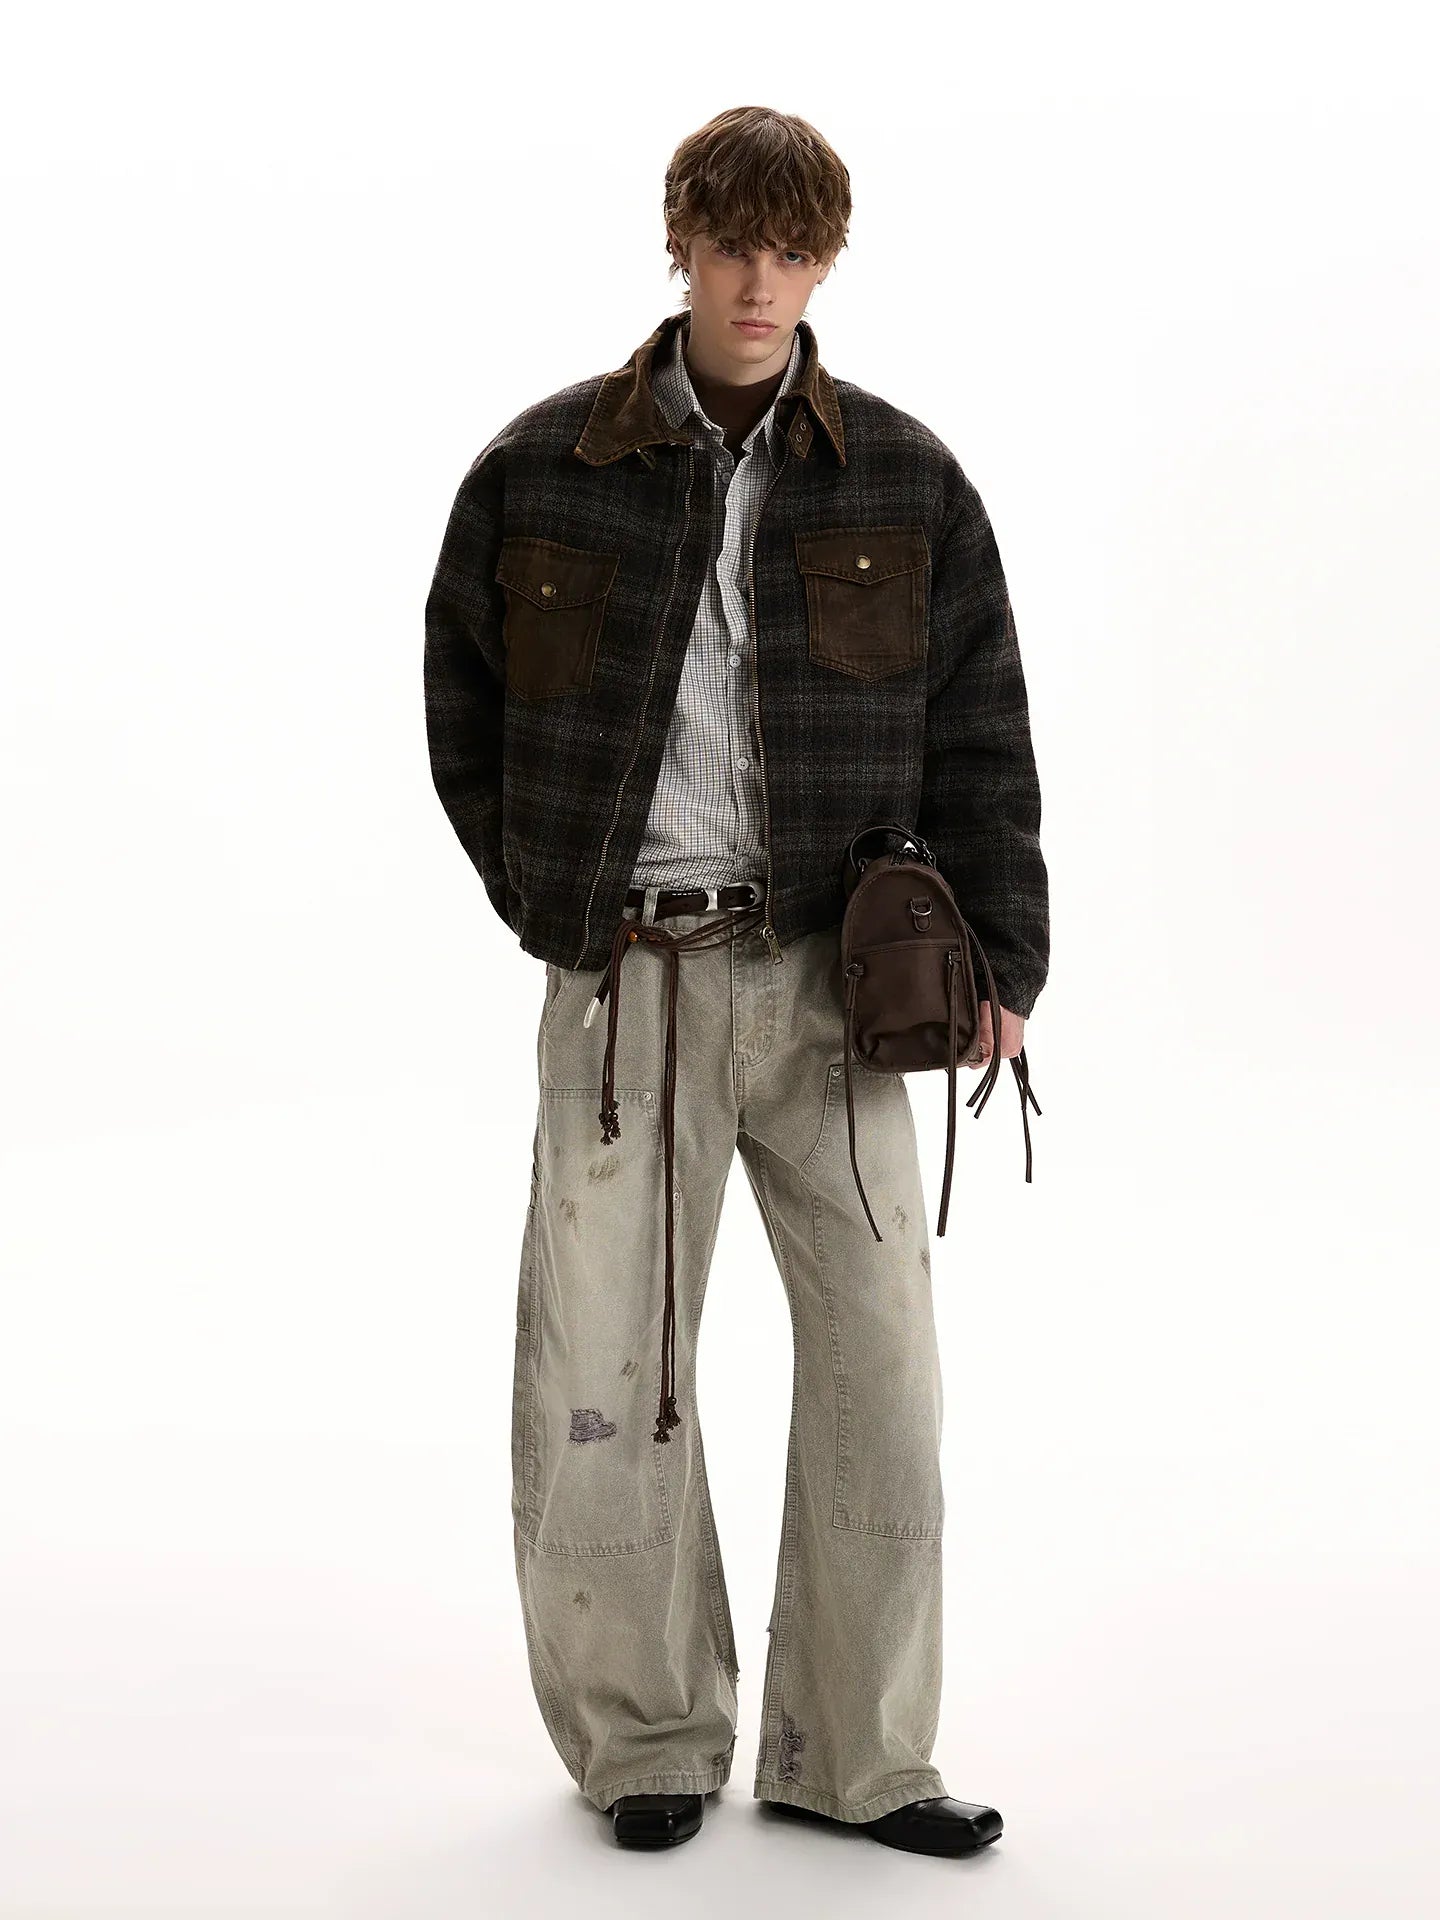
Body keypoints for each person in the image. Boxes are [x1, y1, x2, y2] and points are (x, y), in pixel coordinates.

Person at [423, 105, 1049, 1856]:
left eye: (792, 250)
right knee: (607, 1371)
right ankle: (646, 1742)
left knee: (882, 1376)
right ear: (681, 246)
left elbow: (982, 729)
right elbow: (462, 702)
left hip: (839, 989)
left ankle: (862, 1759)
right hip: (628, 983)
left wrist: (1005, 957)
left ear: (826, 261)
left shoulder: (907, 479)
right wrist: (551, 896)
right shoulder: (544, 467)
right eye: (730, 246)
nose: (760, 282)